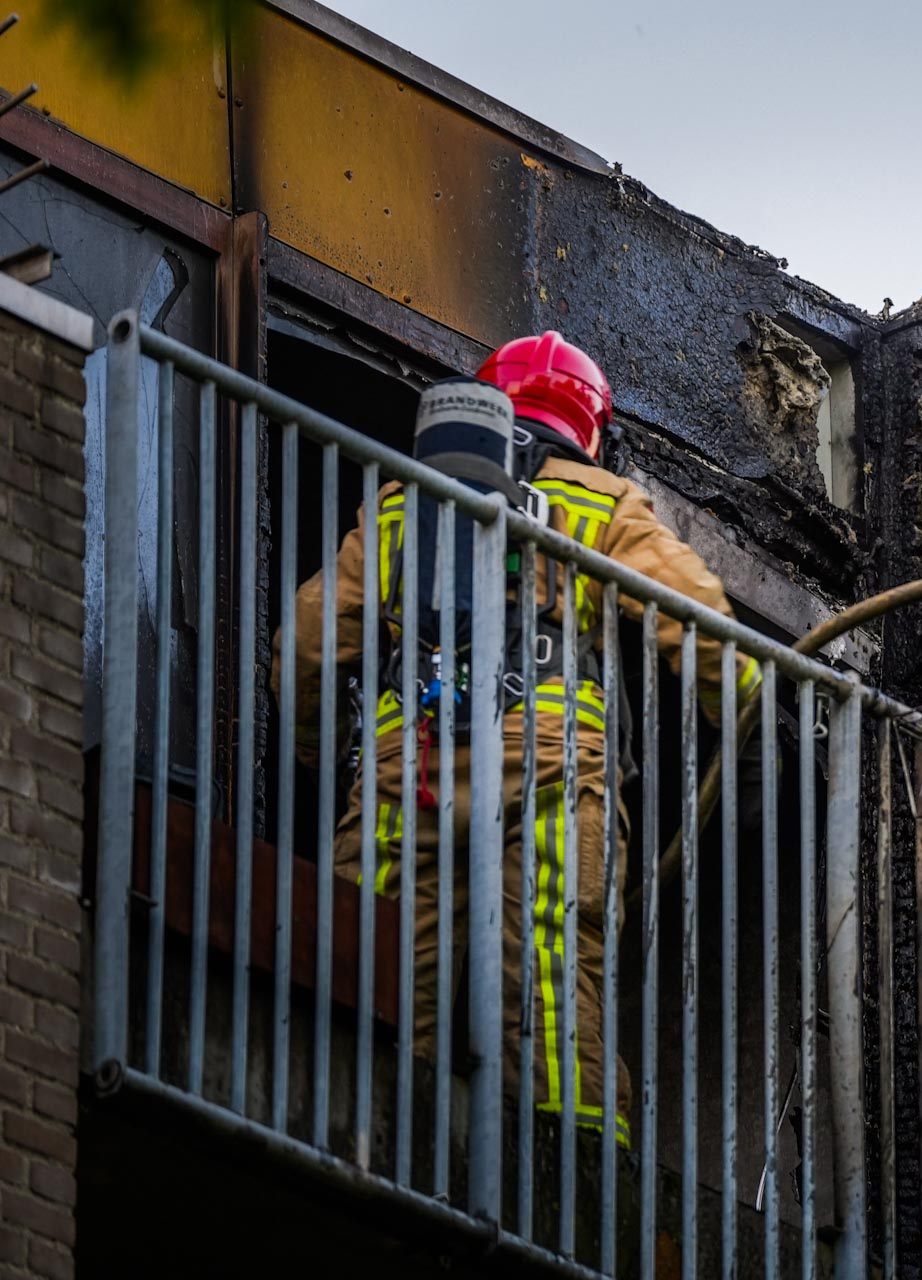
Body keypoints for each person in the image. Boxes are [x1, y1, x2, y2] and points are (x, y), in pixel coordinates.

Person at [277, 331, 758, 1153]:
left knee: (383, 947)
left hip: (409, 759)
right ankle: (569, 1161)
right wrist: (741, 715)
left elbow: (307, 652)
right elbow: (703, 626)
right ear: (590, 425)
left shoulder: (399, 503)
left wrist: (320, 753)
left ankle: (372, 1138)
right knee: (550, 946)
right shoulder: (602, 502)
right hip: (549, 758)